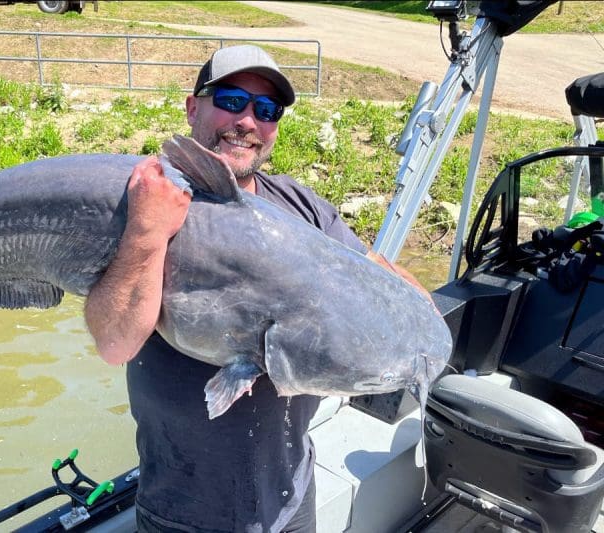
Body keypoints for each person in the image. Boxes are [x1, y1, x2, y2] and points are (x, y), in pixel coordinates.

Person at [84, 45, 428, 533]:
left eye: (265, 110)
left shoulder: (299, 205)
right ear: (192, 106)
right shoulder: (143, 201)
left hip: (291, 500)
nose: (247, 120)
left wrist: (426, 329)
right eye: (231, 99)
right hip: (181, 516)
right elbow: (114, 342)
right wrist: (145, 232)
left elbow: (378, 274)